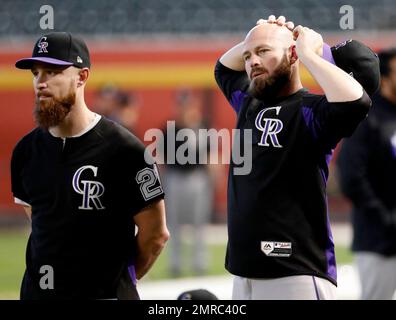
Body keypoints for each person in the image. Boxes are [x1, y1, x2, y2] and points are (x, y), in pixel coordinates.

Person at [214, 15, 379, 299]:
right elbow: (223, 69)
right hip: (244, 272)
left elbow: (357, 102)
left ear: (292, 55)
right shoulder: (248, 102)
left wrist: (306, 53)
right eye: (248, 56)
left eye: (263, 52)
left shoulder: (313, 112)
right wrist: (261, 36)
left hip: (295, 271)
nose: (252, 61)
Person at [11, 32, 169, 299]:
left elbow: (155, 235)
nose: (40, 82)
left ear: (82, 77)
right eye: (36, 73)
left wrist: (117, 281)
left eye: (52, 72)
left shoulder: (125, 150)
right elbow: (40, 222)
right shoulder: (26, 151)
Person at [337, 48, 396, 300]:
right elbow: (351, 176)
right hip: (378, 241)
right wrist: (385, 218)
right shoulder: (367, 118)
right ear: (385, 78)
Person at [162, 89, 214, 277]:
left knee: (199, 223)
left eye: (187, 104)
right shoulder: (169, 128)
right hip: (175, 177)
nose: (184, 108)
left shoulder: (202, 126)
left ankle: (200, 262)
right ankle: (175, 263)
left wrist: (213, 177)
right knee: (173, 224)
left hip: (197, 177)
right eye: (181, 104)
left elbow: (209, 154)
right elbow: (161, 158)